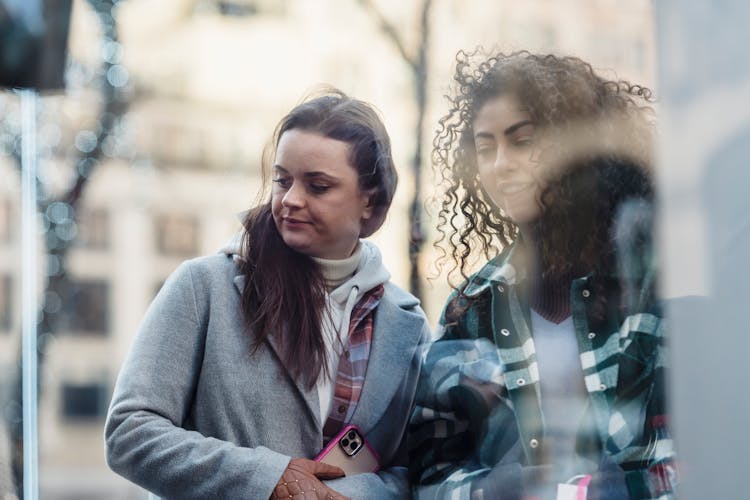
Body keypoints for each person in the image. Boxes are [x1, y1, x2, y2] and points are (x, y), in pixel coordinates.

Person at [105, 88, 431, 500]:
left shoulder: (407, 326)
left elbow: (417, 471)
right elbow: (129, 433)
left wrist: (352, 496)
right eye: (282, 180)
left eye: (318, 186)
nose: (291, 200)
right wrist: (270, 478)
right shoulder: (203, 286)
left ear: (370, 201)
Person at [408, 50, 676, 499]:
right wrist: (488, 492)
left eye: (523, 140)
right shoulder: (473, 305)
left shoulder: (649, 281)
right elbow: (429, 470)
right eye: (486, 147)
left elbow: (692, 454)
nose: (500, 164)